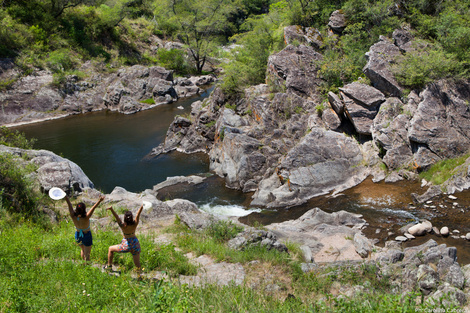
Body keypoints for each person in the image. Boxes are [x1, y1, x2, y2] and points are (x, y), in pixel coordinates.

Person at [65, 195, 105, 263]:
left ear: (76, 209)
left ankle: (83, 264)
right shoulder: (86, 216)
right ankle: (87, 268)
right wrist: (99, 200)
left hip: (78, 235)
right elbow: (93, 207)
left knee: (83, 249)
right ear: (84, 209)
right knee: (87, 255)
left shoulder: (73, 215)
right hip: (86, 235)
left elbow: (69, 205)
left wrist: (66, 197)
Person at [104, 205, 144, 273]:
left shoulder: (123, 226)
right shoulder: (135, 224)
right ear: (132, 218)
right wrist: (142, 207)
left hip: (126, 245)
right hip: (135, 244)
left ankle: (109, 266)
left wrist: (111, 209)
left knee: (110, 249)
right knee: (137, 263)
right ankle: (139, 277)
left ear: (124, 219)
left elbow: (117, 217)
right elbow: (138, 214)